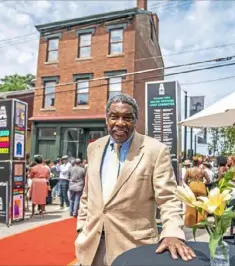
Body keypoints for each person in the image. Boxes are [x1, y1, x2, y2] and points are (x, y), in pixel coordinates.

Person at [75, 94, 196, 266]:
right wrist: (81, 227)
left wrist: (172, 233)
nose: (120, 123)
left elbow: (169, 199)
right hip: (92, 247)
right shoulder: (94, 148)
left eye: (127, 118)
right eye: (114, 116)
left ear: (136, 120)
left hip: (134, 248)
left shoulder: (156, 150)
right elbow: (88, 194)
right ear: (106, 118)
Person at [183, 157, 210, 227]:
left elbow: (184, 180)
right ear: (198, 163)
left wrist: (188, 184)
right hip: (201, 186)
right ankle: (201, 223)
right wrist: (203, 183)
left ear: (192, 162)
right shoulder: (202, 170)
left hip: (192, 186)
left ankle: (190, 222)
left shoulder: (189, 170)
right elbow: (208, 180)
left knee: (191, 204)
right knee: (202, 204)